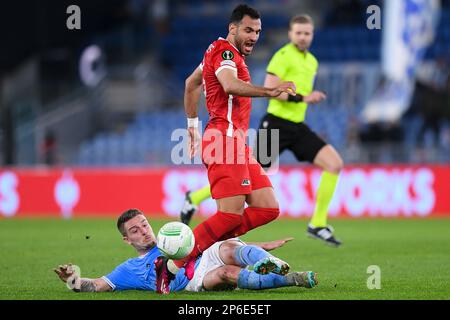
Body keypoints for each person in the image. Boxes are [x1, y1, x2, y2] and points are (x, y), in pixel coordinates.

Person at [155, 4, 298, 294]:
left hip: (235, 144)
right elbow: (230, 85)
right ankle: (170, 264)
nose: (254, 36)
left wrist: (192, 126)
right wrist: (270, 91)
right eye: (248, 30)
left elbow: (191, 83)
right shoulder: (226, 54)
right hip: (223, 141)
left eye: (257, 31)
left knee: (268, 208)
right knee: (230, 216)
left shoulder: (214, 51)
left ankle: (204, 245)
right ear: (232, 28)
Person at [180, 14, 343, 247]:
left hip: (296, 127)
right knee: (238, 190)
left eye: (307, 33)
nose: (303, 37)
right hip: (274, 124)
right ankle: (195, 213)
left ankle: (317, 223)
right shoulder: (281, 56)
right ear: (290, 34)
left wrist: (192, 125)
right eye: (298, 32)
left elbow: (192, 83)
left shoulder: (312, 62)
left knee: (333, 164)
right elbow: (266, 88)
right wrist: (302, 97)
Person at [54, 209, 318, 293]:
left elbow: (210, 240)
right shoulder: (128, 270)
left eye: (144, 224)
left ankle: (272, 261)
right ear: (126, 240)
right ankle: (292, 279)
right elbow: (97, 285)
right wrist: (74, 281)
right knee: (227, 273)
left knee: (227, 247)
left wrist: (258, 246)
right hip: (192, 279)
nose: (144, 231)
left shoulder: (173, 239)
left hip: (205, 253)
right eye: (135, 230)